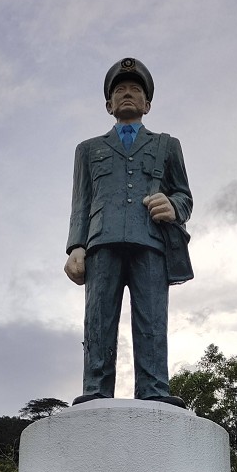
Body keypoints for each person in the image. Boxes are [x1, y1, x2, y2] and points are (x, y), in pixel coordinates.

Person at [64, 57, 193, 407]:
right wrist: (76, 246)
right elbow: (81, 201)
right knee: (98, 317)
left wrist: (173, 205)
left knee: (152, 317)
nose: (127, 94)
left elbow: (184, 195)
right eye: (119, 90)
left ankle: (154, 389)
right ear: (108, 104)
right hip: (101, 242)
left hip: (151, 242)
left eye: (135, 90)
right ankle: (95, 388)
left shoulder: (168, 146)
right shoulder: (88, 150)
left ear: (147, 103)